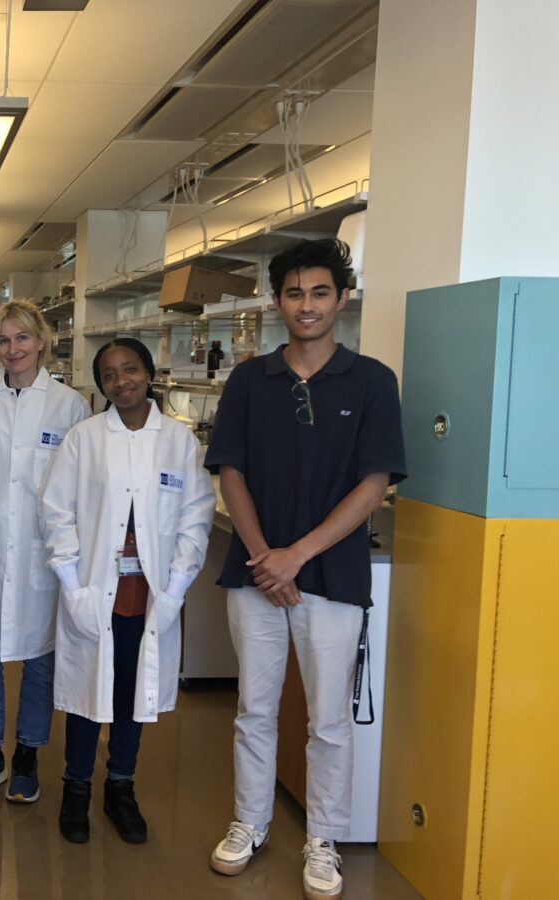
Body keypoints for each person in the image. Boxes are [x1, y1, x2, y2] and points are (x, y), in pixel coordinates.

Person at [204, 239, 406, 900]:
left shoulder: (372, 381)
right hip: (255, 576)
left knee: (328, 721)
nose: (307, 305)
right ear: (276, 300)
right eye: (294, 293)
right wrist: (267, 558)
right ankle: (249, 823)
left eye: (320, 292)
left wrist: (297, 555)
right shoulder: (248, 380)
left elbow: (374, 483)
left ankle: (324, 838)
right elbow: (230, 471)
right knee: (254, 709)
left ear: (342, 299)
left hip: (331, 575)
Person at [39, 338, 215, 845]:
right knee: (85, 693)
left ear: (149, 372)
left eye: (131, 369)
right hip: (94, 588)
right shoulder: (85, 437)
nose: (122, 381)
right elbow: (57, 512)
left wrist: (177, 585)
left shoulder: (179, 442)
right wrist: (72, 584)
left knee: (131, 693)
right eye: (110, 375)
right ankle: (76, 789)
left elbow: (195, 516)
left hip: (151, 593)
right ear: (101, 385)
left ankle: (120, 787)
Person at [0, 299, 88, 803]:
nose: (13, 349)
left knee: (40, 656)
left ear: (42, 341)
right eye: (3, 341)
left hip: (42, 551)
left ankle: (27, 753)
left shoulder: (69, 406)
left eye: (22, 338)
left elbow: (76, 483)